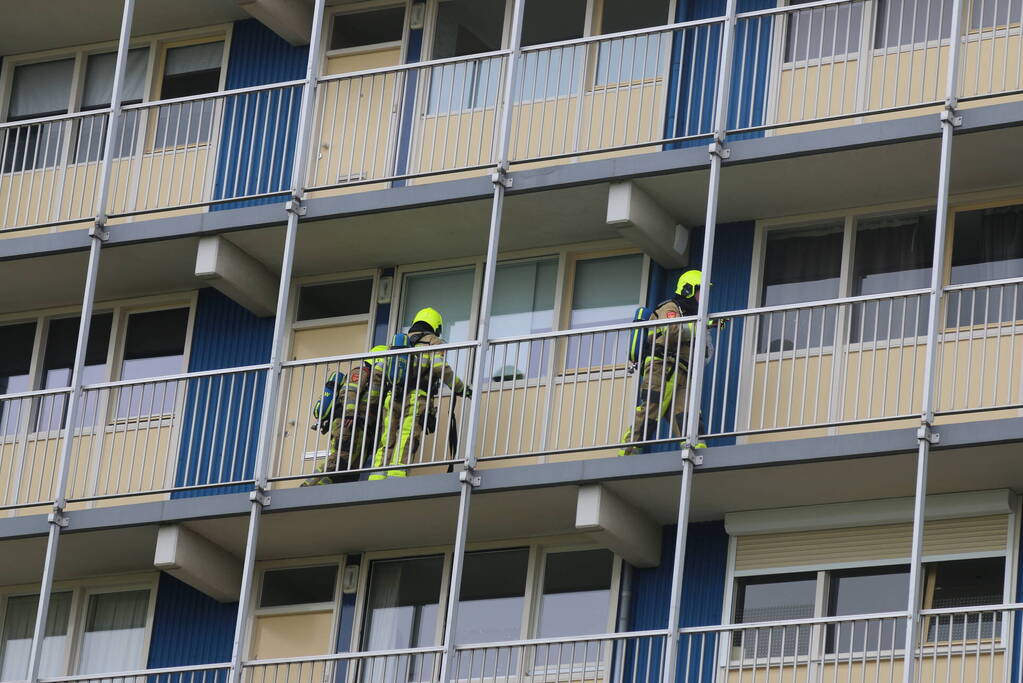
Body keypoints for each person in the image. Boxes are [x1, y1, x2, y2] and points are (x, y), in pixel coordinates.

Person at [371, 307, 471, 480]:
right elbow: (440, 367)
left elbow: (378, 373)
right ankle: (397, 474)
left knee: (387, 438)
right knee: (407, 435)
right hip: (416, 397)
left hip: (391, 397)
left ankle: (377, 476)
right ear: (436, 325)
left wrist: (373, 401)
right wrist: (460, 388)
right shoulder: (433, 341)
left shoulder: (395, 343)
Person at [619, 270, 710, 456]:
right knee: (652, 406)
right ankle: (629, 448)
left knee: (687, 412)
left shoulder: (691, 314)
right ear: (688, 290)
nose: (703, 297)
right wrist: (699, 326)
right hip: (662, 366)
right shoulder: (670, 307)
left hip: (683, 371)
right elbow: (672, 331)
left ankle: (696, 448)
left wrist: (711, 325)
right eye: (700, 291)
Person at [302, 345, 390, 486]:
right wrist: (350, 414)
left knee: (351, 468)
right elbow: (350, 392)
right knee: (339, 460)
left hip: (361, 427)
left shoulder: (379, 381)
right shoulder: (361, 371)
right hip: (349, 423)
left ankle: (322, 490)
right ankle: (307, 488)